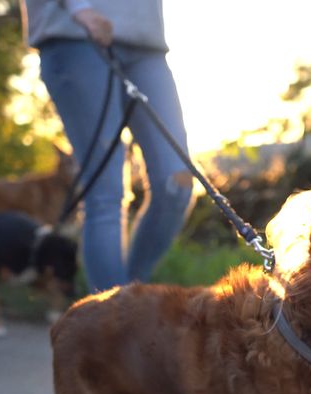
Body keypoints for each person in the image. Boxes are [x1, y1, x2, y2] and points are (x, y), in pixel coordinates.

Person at [23, 0, 193, 293]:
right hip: (74, 33)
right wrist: (79, 7)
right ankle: (114, 311)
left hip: (147, 40)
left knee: (176, 182)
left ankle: (131, 298)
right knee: (106, 194)